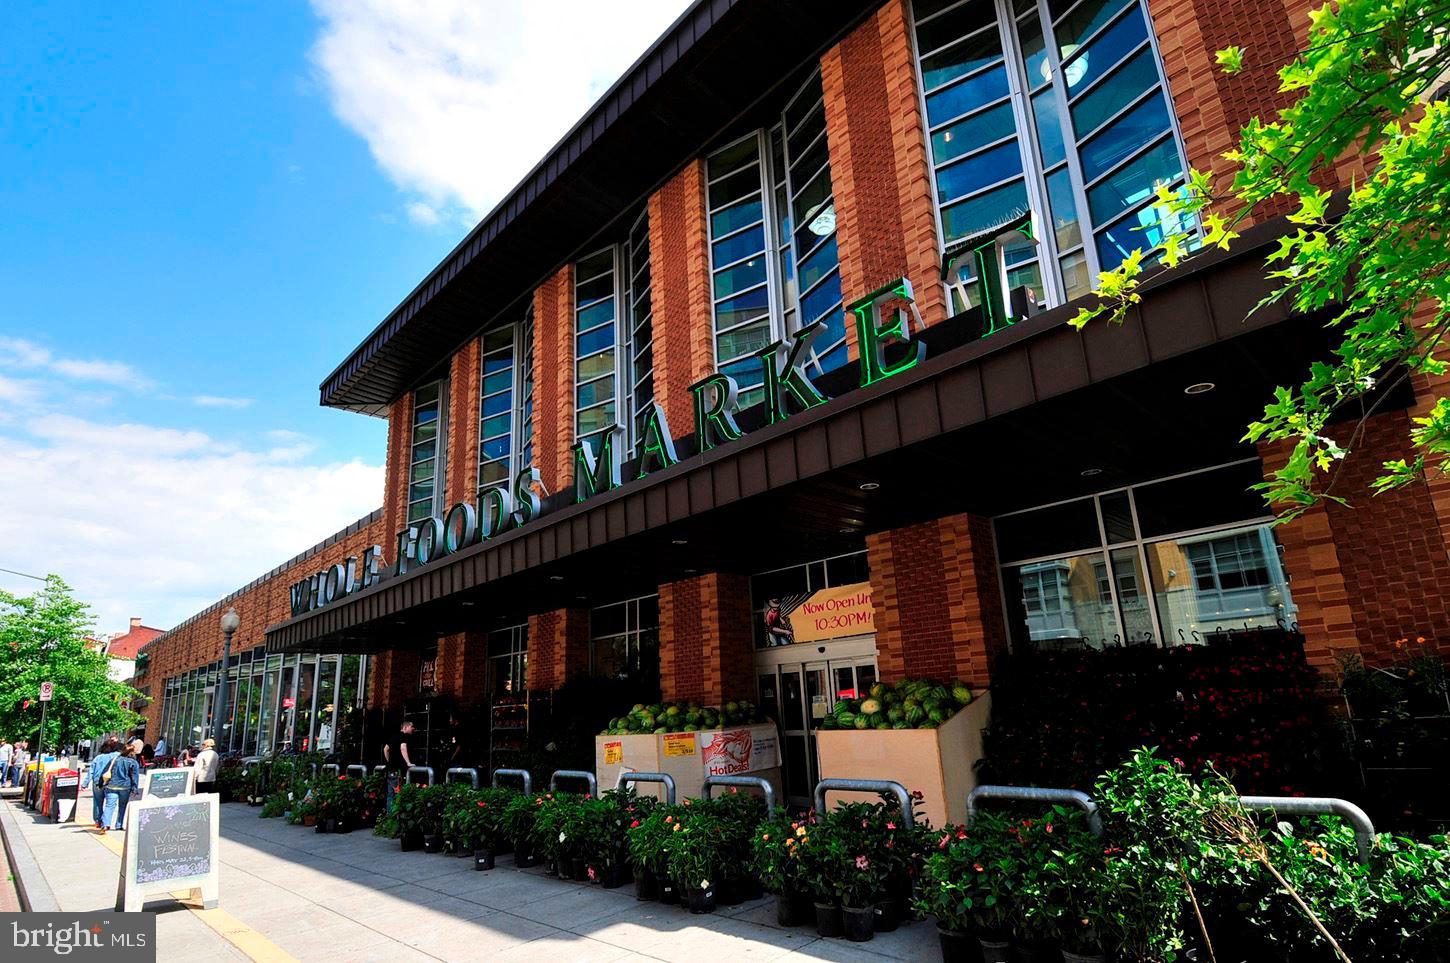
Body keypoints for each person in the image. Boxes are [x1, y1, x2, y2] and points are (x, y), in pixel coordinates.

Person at [81, 738, 123, 828]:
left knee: (97, 802)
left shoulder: (98, 758)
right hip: (111, 782)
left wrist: (85, 784)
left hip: (97, 782)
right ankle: (106, 822)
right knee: (110, 803)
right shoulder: (117, 756)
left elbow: (90, 772)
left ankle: (97, 821)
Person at [100, 743, 140, 834]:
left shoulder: (115, 760)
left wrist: (101, 784)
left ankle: (105, 824)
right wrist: (135, 789)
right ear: (132, 752)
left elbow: (105, 771)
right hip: (125, 787)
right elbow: (135, 777)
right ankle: (119, 825)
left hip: (112, 785)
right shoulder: (133, 762)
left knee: (109, 806)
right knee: (122, 806)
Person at [382, 720, 414, 813]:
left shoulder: (393, 736)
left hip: (390, 769)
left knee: (390, 794)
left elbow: (385, 749)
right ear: (405, 728)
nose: (413, 728)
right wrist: (408, 762)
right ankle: (396, 817)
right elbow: (403, 748)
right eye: (411, 726)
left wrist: (389, 761)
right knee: (399, 794)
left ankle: (389, 818)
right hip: (398, 770)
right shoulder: (404, 736)